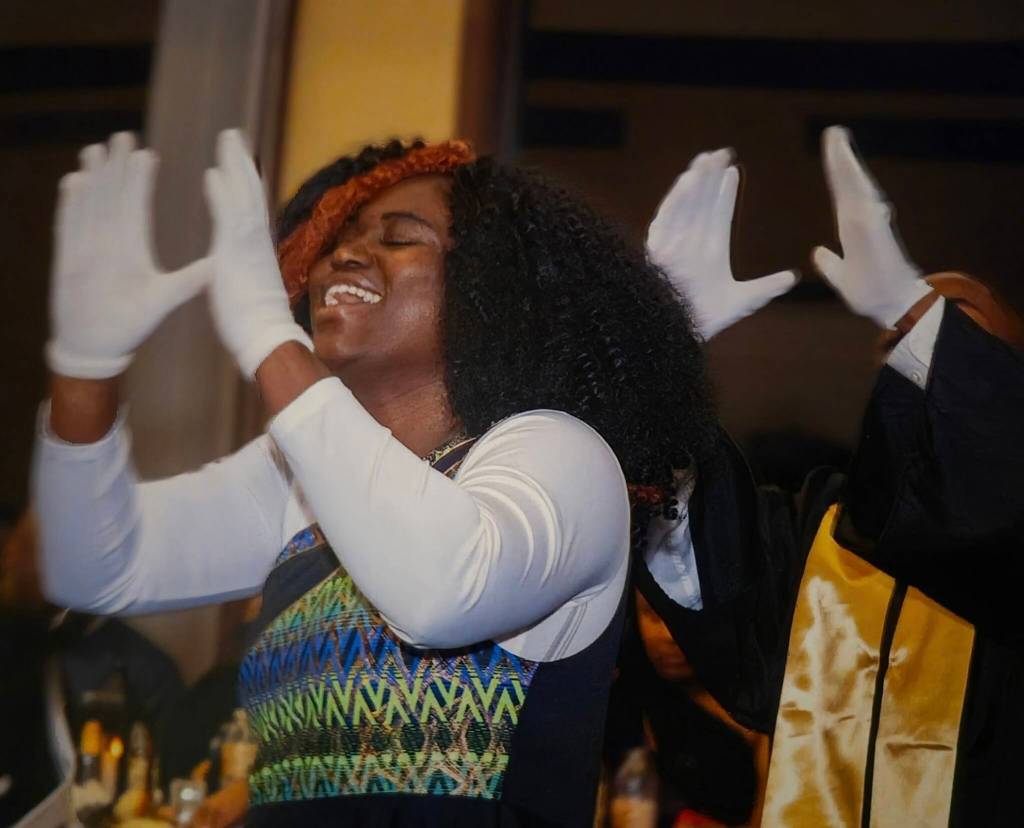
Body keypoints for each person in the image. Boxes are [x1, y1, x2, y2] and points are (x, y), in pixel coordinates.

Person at [33, 131, 719, 826]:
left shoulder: (563, 454)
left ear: (491, 288)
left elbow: (439, 593)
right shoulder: (296, 475)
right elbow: (94, 568)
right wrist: (85, 369)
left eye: (399, 237)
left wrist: (269, 337)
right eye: (339, 240)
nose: (345, 254)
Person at [640, 127, 1024, 826]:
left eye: (957, 336)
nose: (918, 351)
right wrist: (660, 355)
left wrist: (917, 318)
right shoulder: (820, 533)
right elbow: (707, 579)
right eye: (901, 345)